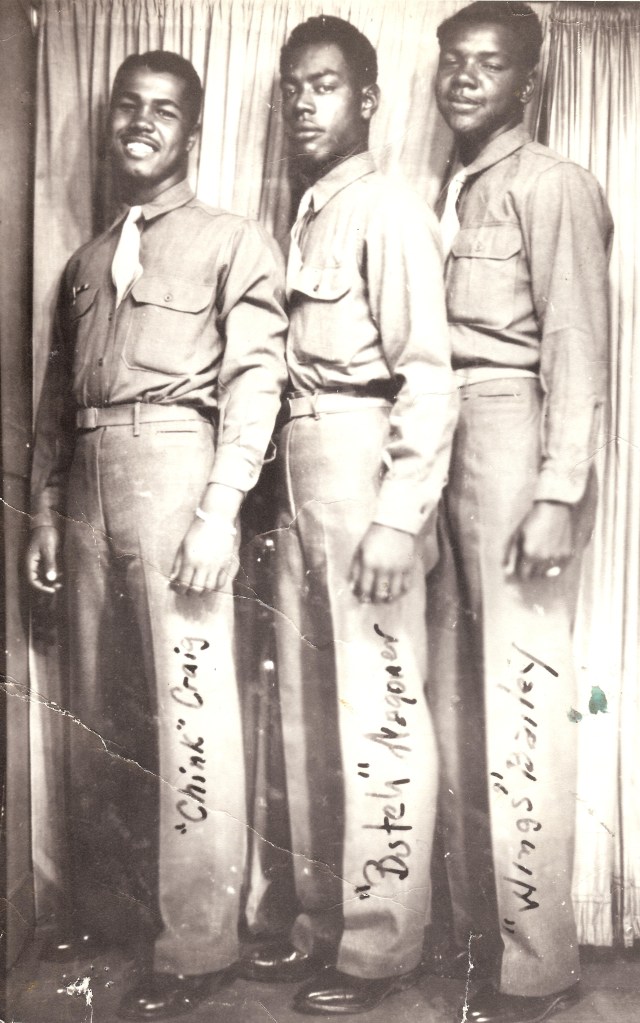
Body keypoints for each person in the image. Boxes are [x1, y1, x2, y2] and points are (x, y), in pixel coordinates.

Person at [26, 50, 287, 1021]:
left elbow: (255, 383)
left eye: (164, 111)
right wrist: (44, 513)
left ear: (192, 132)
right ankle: (111, 917)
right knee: (100, 713)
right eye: (128, 106)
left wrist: (219, 508)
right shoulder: (84, 264)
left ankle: (198, 944)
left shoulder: (232, 240)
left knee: (191, 712)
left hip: (178, 467)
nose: (141, 122)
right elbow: (56, 403)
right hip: (87, 486)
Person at [237, 14, 457, 1016]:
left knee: (378, 715)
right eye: (291, 87)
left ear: (367, 100)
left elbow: (427, 376)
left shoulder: (388, 210)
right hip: (301, 471)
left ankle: (379, 949)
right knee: (307, 717)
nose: (301, 102)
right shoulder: (309, 214)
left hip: (365, 468)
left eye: (322, 85)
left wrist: (397, 516)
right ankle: (321, 926)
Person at [427, 4, 614, 1022]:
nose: (462, 79)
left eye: (487, 64)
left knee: (523, 701)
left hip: (509, 439)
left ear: (526, 83)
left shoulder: (552, 184)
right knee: (454, 701)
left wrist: (555, 491)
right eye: (451, 62)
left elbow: (576, 344)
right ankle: (474, 940)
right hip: (433, 439)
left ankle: (536, 965)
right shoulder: (442, 191)